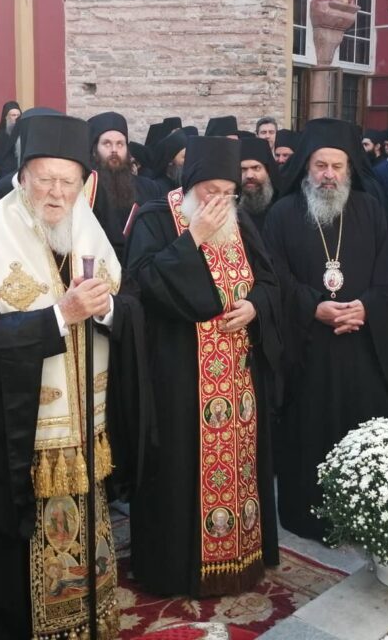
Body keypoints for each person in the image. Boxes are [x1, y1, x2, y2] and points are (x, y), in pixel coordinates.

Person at [0, 113, 146, 639]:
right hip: (23, 434)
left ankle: (86, 625)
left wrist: (104, 311)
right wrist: (59, 316)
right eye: (45, 180)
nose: (57, 194)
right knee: (14, 567)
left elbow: (128, 308)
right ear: (21, 177)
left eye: (68, 181)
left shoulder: (88, 227)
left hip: (86, 428)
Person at [126, 135, 281, 596]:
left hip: (238, 375)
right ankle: (180, 569)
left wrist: (255, 307)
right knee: (180, 471)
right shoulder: (158, 218)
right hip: (179, 376)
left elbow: (271, 281)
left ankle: (241, 556)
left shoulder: (241, 221)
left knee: (241, 467)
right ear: (190, 183)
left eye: (227, 191)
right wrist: (193, 238)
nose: (218, 200)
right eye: (209, 189)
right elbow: (144, 286)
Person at [263, 118, 388, 540]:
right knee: (310, 433)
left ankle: (365, 517)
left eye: (337, 166)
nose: (329, 174)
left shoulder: (370, 209)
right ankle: (309, 517)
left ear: (349, 169)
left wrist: (365, 307)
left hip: (363, 346)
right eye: (320, 165)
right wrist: (314, 308)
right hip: (308, 353)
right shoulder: (283, 214)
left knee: (364, 431)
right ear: (307, 168)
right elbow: (273, 275)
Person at [87, 111, 159, 260]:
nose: (114, 150)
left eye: (120, 144)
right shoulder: (86, 190)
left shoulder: (149, 188)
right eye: (107, 143)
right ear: (94, 151)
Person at [239, 136, 278, 232]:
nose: (249, 175)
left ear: (268, 171)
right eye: (243, 169)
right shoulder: (231, 210)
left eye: (256, 168)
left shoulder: (281, 209)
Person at [0, 100, 22, 177]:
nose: (16, 118)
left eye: (18, 115)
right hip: (5, 178)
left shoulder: (24, 134)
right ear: (6, 118)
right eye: (13, 115)